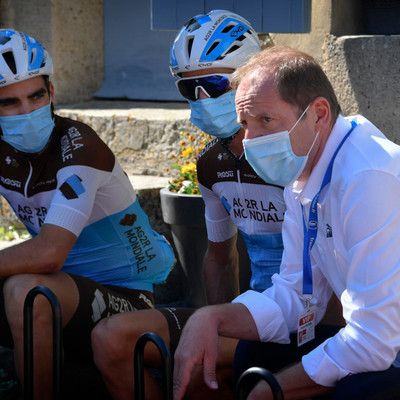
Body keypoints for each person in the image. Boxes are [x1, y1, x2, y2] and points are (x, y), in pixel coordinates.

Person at [172, 45, 400, 400]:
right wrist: (212, 318)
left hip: (389, 350)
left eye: (266, 120)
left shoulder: (366, 176)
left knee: (357, 391)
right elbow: (296, 293)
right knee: (253, 354)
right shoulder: (305, 174)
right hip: (383, 345)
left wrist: (273, 389)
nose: (249, 140)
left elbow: (373, 341)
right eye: (245, 123)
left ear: (319, 114)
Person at [91, 10, 286, 400]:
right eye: (188, 90)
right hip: (253, 315)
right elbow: (219, 258)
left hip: (310, 320)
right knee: (110, 338)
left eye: (214, 84)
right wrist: (221, 325)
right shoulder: (212, 164)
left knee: (195, 366)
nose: (202, 100)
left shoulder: (292, 152)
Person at [0, 28, 175, 400]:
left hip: (127, 296)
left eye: (36, 95)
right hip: (70, 290)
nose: (27, 111)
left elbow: (49, 253)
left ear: (53, 94)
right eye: (9, 103)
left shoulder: (79, 145)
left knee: (27, 290)